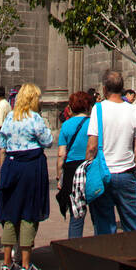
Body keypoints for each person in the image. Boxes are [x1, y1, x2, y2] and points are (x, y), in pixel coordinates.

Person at [0, 83, 53, 270]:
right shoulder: (35, 118)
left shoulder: (10, 117)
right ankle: (26, 266)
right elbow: (48, 141)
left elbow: (2, 146)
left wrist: (2, 174)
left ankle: (6, 264)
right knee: (28, 212)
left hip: (11, 167)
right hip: (31, 168)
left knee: (10, 213)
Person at [85, 70, 136, 235]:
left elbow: (91, 147)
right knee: (133, 225)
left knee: (105, 226)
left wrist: (87, 169)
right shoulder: (133, 111)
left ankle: (109, 259)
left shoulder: (98, 109)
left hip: (104, 175)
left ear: (104, 89)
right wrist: (133, 170)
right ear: (122, 88)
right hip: (126, 174)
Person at [56, 91, 93, 239]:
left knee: (76, 214)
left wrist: (59, 176)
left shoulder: (66, 125)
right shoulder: (93, 123)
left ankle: (75, 247)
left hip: (72, 171)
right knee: (98, 211)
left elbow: (61, 154)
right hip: (90, 167)